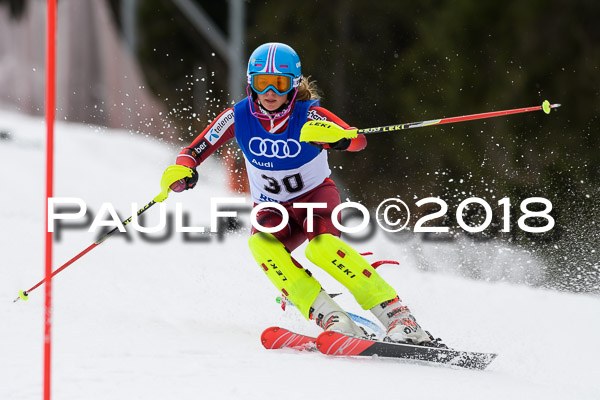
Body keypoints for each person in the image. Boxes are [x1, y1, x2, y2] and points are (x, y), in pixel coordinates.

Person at [161, 42, 443, 346]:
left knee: (321, 248)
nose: (269, 92)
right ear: (250, 84)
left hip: (314, 199)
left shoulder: (309, 114)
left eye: (279, 84)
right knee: (261, 245)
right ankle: (333, 318)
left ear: (293, 86)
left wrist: (337, 140)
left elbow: (357, 140)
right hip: (272, 208)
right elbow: (195, 150)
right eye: (261, 83)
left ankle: (400, 318)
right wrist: (183, 170)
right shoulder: (237, 116)